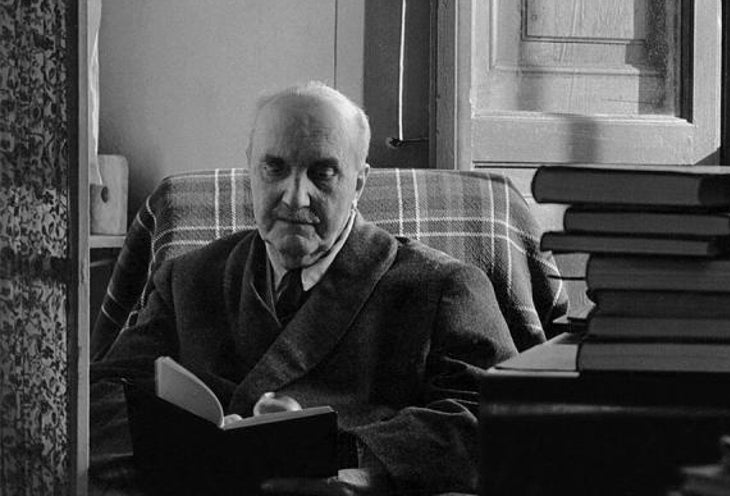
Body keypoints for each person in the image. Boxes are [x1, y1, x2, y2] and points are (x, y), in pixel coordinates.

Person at [90, 82, 519, 494]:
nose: (295, 197)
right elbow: (100, 398)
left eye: (323, 172)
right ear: (250, 168)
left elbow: (499, 421)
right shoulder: (187, 278)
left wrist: (350, 461)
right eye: (274, 168)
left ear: (359, 182)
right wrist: (185, 446)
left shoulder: (441, 287)